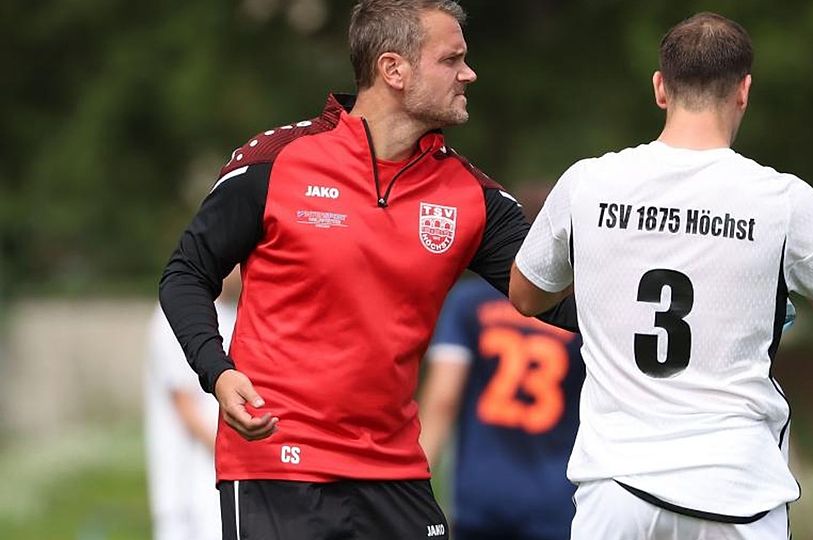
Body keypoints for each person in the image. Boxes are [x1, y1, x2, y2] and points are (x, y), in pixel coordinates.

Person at [158, 1, 575, 539]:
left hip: (395, 471)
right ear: (393, 69)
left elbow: (553, 298)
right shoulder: (276, 161)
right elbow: (186, 273)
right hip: (278, 465)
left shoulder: (471, 196)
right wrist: (217, 371)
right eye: (452, 59)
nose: (469, 73)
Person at [510, 12, 813, 540]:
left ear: (660, 88)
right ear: (744, 91)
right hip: (734, 489)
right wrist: (780, 292)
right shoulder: (782, 201)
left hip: (616, 487)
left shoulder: (588, 183)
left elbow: (526, 294)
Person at [418, 188, 586, 540]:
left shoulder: (468, 303)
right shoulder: (580, 315)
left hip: (482, 492)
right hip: (558, 497)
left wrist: (415, 482)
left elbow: (443, 400)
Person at [144, 267, 240, 540]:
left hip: (224, 483)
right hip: (186, 488)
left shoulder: (236, 314)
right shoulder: (176, 312)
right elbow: (185, 406)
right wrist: (240, 450)